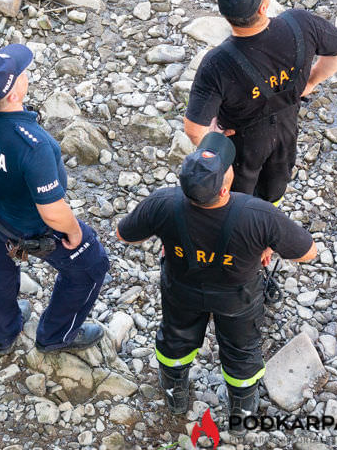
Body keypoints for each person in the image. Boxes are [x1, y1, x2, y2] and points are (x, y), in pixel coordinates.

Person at [115, 132, 317, 425]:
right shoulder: (258, 215)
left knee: (176, 338)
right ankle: (242, 411)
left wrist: (170, 235)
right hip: (237, 298)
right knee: (242, 350)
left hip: (181, 288)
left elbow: (124, 235)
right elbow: (308, 252)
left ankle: (175, 394)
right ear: (224, 191)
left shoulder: (163, 203)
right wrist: (268, 243)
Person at [0, 44, 110, 355]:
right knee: (91, 264)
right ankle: (56, 335)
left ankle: (3, 334)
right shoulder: (35, 146)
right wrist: (73, 231)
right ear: (15, 94)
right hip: (29, 225)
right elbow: (53, 211)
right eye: (21, 73)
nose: (26, 72)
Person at [184, 0, 337, 205]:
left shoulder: (217, 63)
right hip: (285, 130)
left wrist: (216, 141)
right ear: (263, 8)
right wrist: (312, 81)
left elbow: (194, 129)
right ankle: (268, 219)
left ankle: (243, 224)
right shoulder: (300, 24)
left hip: (241, 143)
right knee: (276, 185)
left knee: (239, 195)